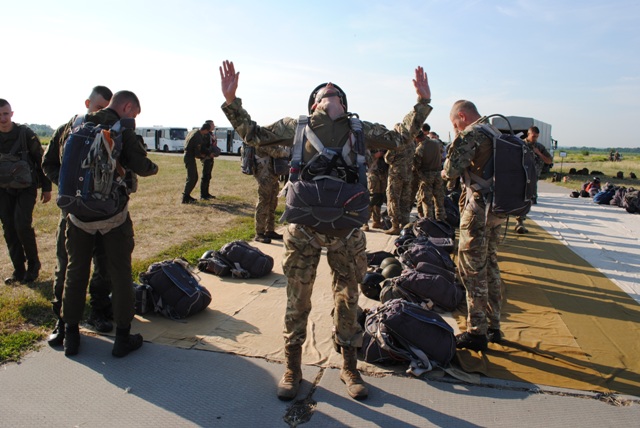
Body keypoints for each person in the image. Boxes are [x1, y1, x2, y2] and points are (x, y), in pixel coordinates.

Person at [219, 60, 432, 401]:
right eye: (324, 92)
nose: (330, 89)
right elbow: (253, 135)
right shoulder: (296, 126)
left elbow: (400, 137)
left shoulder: (360, 129)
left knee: (348, 297)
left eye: (336, 92)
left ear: (343, 104)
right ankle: (293, 367)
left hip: (346, 228)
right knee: (297, 298)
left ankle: (349, 366)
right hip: (304, 226)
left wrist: (422, 103)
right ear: (315, 104)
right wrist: (232, 101)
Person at [58, 91, 158, 357]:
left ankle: (71, 336)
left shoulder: (76, 124)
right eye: (134, 113)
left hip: (77, 215)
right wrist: (153, 167)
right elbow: (141, 165)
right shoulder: (122, 130)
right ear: (127, 107)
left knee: (75, 273)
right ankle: (122, 338)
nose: (133, 118)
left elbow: (60, 164)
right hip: (113, 217)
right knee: (120, 274)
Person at [42, 86, 115, 345]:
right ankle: (62, 319)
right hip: (73, 213)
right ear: (87, 103)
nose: (102, 113)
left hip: (103, 214)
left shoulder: (113, 130)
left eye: (107, 109)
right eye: (99, 108)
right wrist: (68, 187)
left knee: (104, 264)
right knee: (66, 265)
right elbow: (49, 163)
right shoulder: (67, 130)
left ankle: (99, 310)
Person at [442, 100, 506, 352]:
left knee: (471, 270)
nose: (455, 128)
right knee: (490, 264)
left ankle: (477, 331)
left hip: (478, 209)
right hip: (497, 209)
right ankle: (494, 325)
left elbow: (451, 171)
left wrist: (447, 165)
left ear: (462, 115)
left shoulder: (472, 134)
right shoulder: (496, 132)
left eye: (455, 123)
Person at [0, 99, 52, 285]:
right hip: (3, 189)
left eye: (5, 114)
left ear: (12, 114)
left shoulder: (25, 134)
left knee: (22, 224)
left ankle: (33, 266)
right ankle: (19, 271)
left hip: (26, 188)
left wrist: (47, 187)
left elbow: (41, 160)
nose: (2, 118)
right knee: (9, 228)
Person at [514, 126, 552, 234]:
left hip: (533, 178)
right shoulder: (519, 144)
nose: (535, 139)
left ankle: (520, 221)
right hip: (520, 177)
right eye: (533, 136)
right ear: (528, 134)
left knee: (528, 200)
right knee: (520, 199)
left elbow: (549, 160)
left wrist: (539, 153)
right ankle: (518, 221)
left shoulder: (539, 147)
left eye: (537, 137)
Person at [252, 145, 290, 243]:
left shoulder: (269, 142)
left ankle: (270, 230)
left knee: (272, 204)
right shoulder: (261, 143)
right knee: (263, 203)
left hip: (273, 177)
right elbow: (278, 153)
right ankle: (259, 233)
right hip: (264, 178)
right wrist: (287, 151)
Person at [384, 130, 416, 235]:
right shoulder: (412, 143)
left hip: (396, 174)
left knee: (393, 199)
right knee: (405, 200)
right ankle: (405, 224)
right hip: (408, 174)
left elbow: (388, 159)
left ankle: (395, 226)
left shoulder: (397, 143)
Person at [415, 127, 446, 221]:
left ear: (417, 138)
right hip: (438, 173)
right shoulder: (436, 143)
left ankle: (430, 221)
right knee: (439, 199)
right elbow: (442, 152)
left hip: (426, 175)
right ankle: (441, 220)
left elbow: (416, 164)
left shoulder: (420, 148)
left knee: (427, 201)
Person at [182, 123, 211, 204]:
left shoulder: (193, 131)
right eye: (207, 131)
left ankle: (187, 195)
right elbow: (197, 152)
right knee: (192, 177)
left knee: (194, 177)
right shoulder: (198, 136)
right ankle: (185, 197)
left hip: (188, 155)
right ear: (206, 130)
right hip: (189, 157)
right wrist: (204, 155)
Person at [362, 149, 387, 231]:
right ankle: (364, 221)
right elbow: (365, 159)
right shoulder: (370, 145)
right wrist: (375, 156)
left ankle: (376, 221)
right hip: (373, 173)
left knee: (380, 198)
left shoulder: (386, 145)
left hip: (383, 174)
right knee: (373, 197)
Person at [200, 120, 218, 200]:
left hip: (211, 157)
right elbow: (203, 146)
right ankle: (203, 195)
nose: (214, 126)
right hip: (206, 157)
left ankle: (206, 193)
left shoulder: (211, 134)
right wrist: (208, 153)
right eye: (213, 125)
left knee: (208, 176)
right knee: (205, 176)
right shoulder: (205, 135)